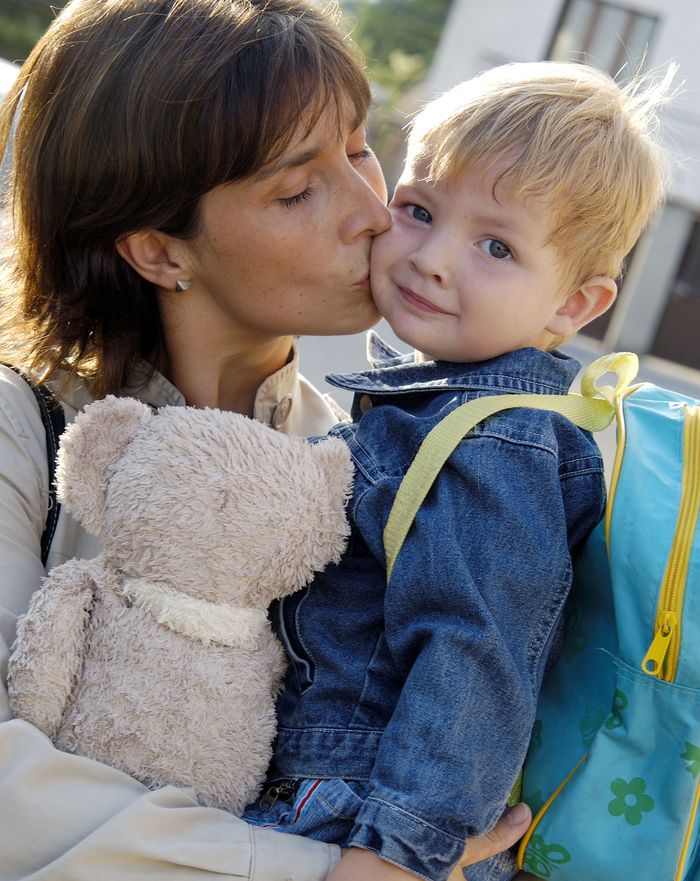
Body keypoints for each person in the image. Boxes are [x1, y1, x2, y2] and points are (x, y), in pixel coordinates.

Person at [0, 1, 530, 879]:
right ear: (159, 251)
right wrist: (327, 870)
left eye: (360, 147)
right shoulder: (28, 431)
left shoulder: (363, 468)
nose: (372, 210)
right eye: (297, 190)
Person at [242, 62, 672, 881]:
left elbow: (476, 652)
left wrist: (396, 854)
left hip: (363, 815)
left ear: (574, 306)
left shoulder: (495, 442)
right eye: (418, 210)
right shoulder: (440, 407)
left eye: (497, 245)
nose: (432, 258)